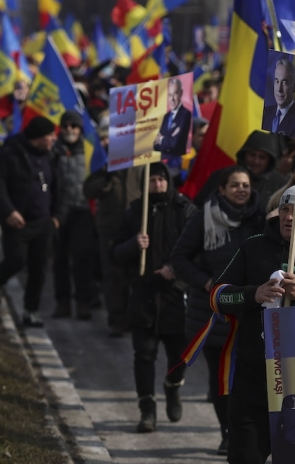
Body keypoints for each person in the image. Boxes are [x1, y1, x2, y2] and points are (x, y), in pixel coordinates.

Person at [213, 179, 295, 464]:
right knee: (244, 456)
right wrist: (253, 294)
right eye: (285, 209)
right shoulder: (254, 247)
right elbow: (217, 296)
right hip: (255, 375)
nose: (288, 216)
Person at [169, 166, 265, 455]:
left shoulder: (261, 219)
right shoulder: (204, 216)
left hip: (250, 311)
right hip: (213, 313)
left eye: (246, 185)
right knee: (222, 377)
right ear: (221, 189)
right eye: (234, 185)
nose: (241, 190)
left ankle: (247, 435)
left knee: (248, 380)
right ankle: (226, 431)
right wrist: (206, 282)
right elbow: (179, 258)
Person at [111, 162, 196, 433]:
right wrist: (133, 245)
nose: (157, 185)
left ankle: (172, 388)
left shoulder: (185, 210)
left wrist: (178, 272)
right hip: (144, 296)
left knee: (179, 356)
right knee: (144, 355)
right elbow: (114, 253)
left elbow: (199, 252)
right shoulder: (134, 212)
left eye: (161, 179)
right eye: (152, 180)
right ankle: (147, 409)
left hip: (175, 297)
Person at [0, 116, 62, 327]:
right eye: (50, 136)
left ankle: (31, 310)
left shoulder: (52, 156)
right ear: (38, 137)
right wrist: (8, 211)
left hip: (44, 222)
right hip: (17, 222)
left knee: (38, 268)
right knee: (16, 261)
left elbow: (60, 188)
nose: (53, 139)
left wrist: (57, 217)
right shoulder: (11, 152)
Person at [51, 110, 100, 320]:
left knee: (82, 259)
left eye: (74, 126)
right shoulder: (53, 151)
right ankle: (62, 303)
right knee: (59, 260)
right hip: (59, 213)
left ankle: (83, 302)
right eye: (66, 126)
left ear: (80, 129)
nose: (69, 129)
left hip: (83, 211)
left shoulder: (90, 151)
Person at [83, 158, 130, 337]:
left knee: (135, 276)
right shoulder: (105, 164)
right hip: (111, 230)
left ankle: (132, 318)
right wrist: (105, 178)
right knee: (113, 275)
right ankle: (117, 319)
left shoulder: (145, 165)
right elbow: (88, 190)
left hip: (137, 230)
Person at [193, 130, 287, 209]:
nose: (256, 161)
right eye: (252, 155)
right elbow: (200, 206)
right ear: (244, 154)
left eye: (262, 157)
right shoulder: (220, 176)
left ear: (269, 160)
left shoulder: (281, 185)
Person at [262, 58, 295, 138]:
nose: (279, 89)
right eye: (277, 81)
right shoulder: (265, 112)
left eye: (284, 82)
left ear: (294, 86)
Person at [154, 77, 192, 157]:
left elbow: (174, 143)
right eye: (170, 95)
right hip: (164, 160)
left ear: (181, 93)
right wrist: (165, 140)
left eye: (175, 93)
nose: (172, 99)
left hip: (177, 162)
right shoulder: (166, 116)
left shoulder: (185, 114)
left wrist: (161, 139)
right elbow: (156, 145)